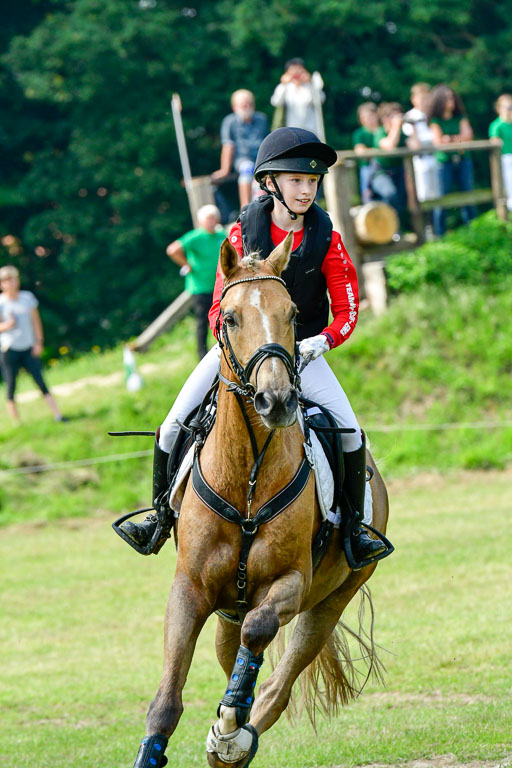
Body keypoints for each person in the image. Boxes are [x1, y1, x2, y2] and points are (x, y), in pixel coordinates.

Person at [119, 127, 391, 566]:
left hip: (302, 353)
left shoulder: (328, 239)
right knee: (171, 425)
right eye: (296, 181)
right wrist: (239, 346)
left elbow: (348, 312)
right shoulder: (241, 233)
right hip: (241, 351)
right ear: (270, 183)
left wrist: (317, 344)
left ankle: (355, 529)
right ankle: (158, 518)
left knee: (350, 432)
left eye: (313, 182)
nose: (307, 190)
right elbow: (215, 309)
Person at [0, 265, 66, 425]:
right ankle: (17, 423)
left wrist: (39, 342)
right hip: (9, 349)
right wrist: (7, 325)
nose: (10, 283)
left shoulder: (27, 298)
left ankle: (58, 415)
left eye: (12, 279)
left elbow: (36, 322)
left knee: (40, 381)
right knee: (11, 385)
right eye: (5, 280)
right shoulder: (1, 303)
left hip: (28, 346)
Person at [166, 205, 225, 359]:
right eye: (208, 219)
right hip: (200, 286)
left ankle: (223, 350)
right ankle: (202, 354)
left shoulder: (221, 235)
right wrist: (186, 265)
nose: (212, 222)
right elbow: (173, 249)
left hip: (218, 286)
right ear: (201, 221)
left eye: (214, 218)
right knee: (202, 322)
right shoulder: (196, 236)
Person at [428, 85, 476, 235]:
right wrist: (458, 141)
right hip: (444, 163)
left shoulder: (460, 117)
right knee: (442, 200)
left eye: (452, 97)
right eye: (448, 97)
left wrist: (449, 139)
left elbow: (468, 136)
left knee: (468, 196)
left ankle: (473, 231)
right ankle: (439, 234)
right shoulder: (435, 121)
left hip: (462, 160)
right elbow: (438, 142)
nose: (451, 100)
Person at [211, 90, 269, 210]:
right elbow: (228, 146)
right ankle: (246, 207)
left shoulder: (262, 119)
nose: (247, 107)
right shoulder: (229, 122)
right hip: (243, 158)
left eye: (250, 104)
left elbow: (268, 143)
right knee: (247, 168)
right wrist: (225, 170)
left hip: (262, 158)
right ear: (234, 107)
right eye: (244, 105)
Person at [402, 83, 440, 204]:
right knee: (423, 196)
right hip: (420, 160)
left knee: (438, 195)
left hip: (435, 158)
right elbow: (413, 143)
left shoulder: (434, 115)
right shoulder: (410, 116)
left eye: (427, 98)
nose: (425, 102)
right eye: (422, 98)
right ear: (414, 99)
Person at [370, 102, 408, 219]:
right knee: (390, 194)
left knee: (402, 201)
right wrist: (395, 127)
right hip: (380, 174)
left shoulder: (402, 135)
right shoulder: (379, 132)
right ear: (386, 119)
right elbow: (389, 145)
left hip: (398, 173)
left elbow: (415, 145)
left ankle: (397, 231)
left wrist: (414, 128)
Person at [270, 58, 325, 135]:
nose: (296, 72)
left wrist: (311, 84)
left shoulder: (309, 86)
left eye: (299, 69)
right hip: (292, 128)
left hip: (311, 128)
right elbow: (275, 102)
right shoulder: (285, 87)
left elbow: (320, 100)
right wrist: (283, 84)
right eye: (293, 70)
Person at [489, 93, 512, 211]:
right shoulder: (496, 125)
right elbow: (494, 142)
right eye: (507, 107)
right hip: (504, 160)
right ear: (499, 108)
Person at [352, 102, 379, 203]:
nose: (367, 120)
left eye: (370, 116)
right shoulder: (360, 133)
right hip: (367, 168)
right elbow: (360, 151)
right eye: (364, 117)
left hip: (384, 168)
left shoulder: (381, 130)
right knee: (368, 196)